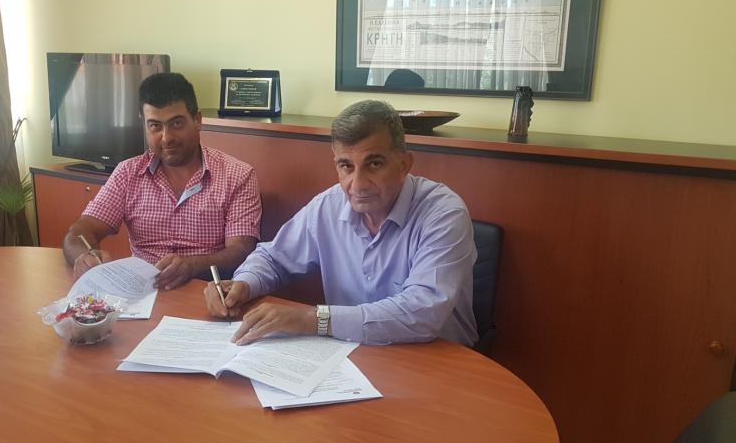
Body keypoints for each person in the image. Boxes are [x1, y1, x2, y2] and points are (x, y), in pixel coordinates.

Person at [204, 100, 477, 346]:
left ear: (404, 164)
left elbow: (423, 312)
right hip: (349, 353)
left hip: (436, 358)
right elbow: (273, 258)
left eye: (374, 164)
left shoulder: (443, 213)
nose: (357, 185)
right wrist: (244, 284)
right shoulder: (329, 205)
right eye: (346, 166)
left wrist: (312, 319)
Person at [63, 72, 262, 290]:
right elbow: (79, 232)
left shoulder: (237, 175)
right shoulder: (128, 173)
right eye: (155, 126)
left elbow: (241, 251)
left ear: (197, 120)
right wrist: (85, 256)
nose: (166, 138)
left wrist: (193, 265)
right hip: (140, 293)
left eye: (176, 123)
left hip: (205, 292)